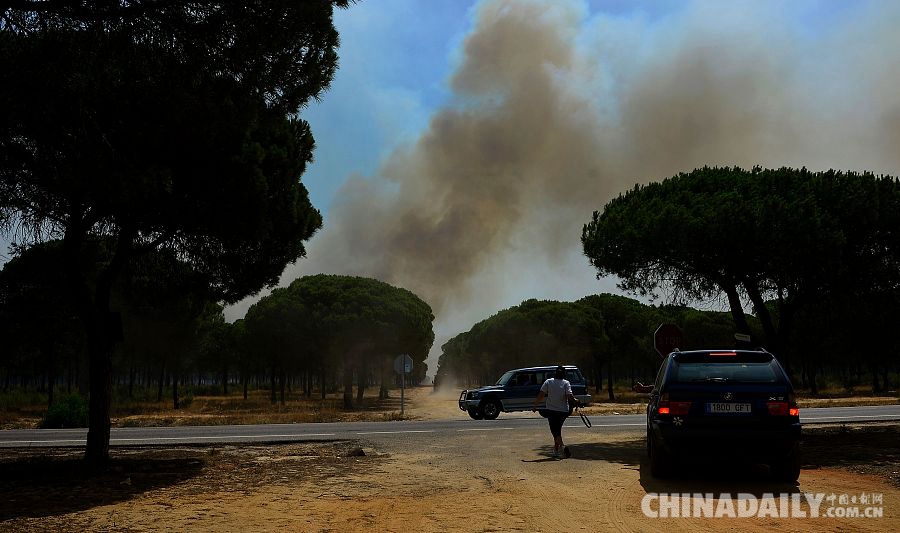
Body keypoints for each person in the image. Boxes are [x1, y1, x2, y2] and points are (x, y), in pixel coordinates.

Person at [533, 365, 580, 459]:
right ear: (564, 374)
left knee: (555, 431)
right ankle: (556, 450)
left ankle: (563, 447)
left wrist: (535, 405)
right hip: (563, 411)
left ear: (555, 373)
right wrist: (576, 401)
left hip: (551, 410)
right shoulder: (566, 383)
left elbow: (541, 395)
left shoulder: (548, 382)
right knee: (557, 430)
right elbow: (569, 396)